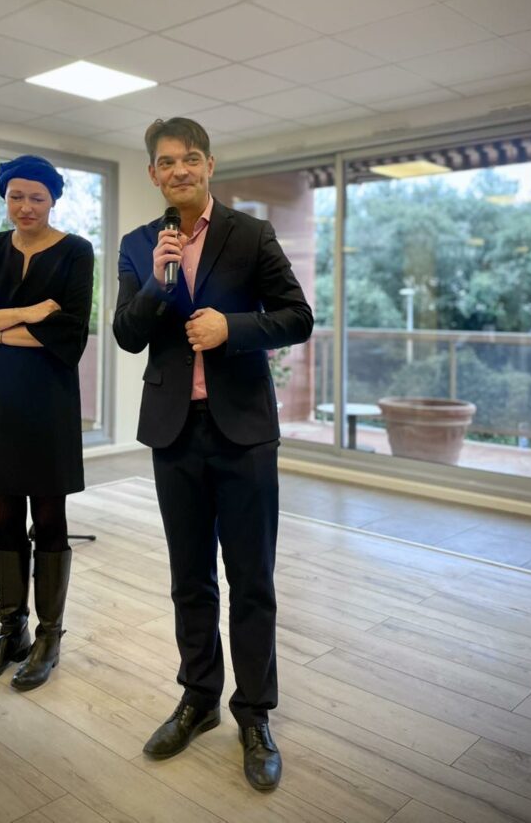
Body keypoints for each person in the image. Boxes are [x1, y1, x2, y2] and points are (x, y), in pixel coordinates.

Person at [114, 117, 313, 792]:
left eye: (191, 158)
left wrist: (235, 327)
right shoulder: (139, 245)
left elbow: (297, 316)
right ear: (153, 174)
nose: (180, 170)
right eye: (167, 162)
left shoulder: (250, 234)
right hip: (174, 432)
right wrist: (156, 283)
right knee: (189, 578)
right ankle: (198, 698)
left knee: (251, 580)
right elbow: (126, 335)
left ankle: (254, 714)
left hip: (245, 433)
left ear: (209, 165)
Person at [0, 155, 93, 691]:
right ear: (5, 198)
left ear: (53, 200)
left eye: (37, 197)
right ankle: (12, 633)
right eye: (16, 196)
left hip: (48, 401)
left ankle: (49, 636)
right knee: (3, 517)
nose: (26, 207)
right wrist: (26, 316)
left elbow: (70, 334)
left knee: (49, 518)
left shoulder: (76, 251)